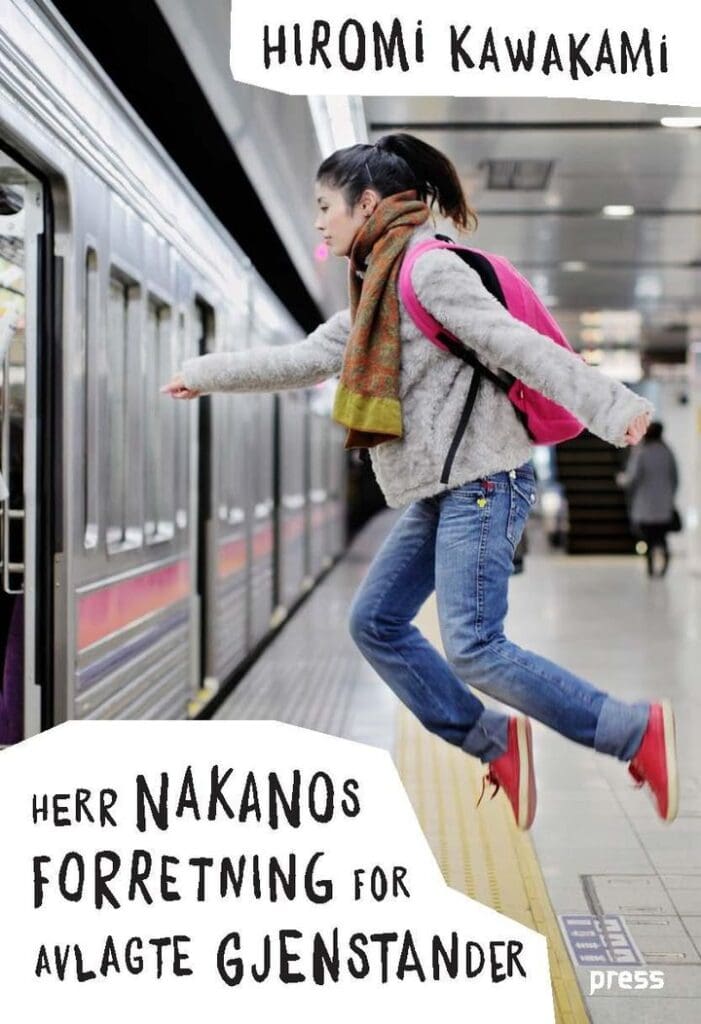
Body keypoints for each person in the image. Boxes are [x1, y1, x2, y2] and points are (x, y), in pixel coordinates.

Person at [162, 133, 677, 829]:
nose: (318, 222)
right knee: (374, 622)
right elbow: (304, 359)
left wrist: (611, 407)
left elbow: (519, 346)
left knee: (475, 647)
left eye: (325, 206)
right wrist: (202, 374)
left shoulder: (428, 271)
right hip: (444, 491)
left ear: (367, 203)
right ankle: (493, 740)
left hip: (484, 482)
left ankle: (631, 731)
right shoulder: (378, 294)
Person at [617, 420, 680, 577]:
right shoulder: (667, 452)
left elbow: (632, 477)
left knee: (649, 538)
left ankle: (651, 567)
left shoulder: (641, 452)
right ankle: (664, 563)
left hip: (646, 505)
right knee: (661, 537)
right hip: (664, 505)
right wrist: (670, 497)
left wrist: (621, 480)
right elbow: (675, 478)